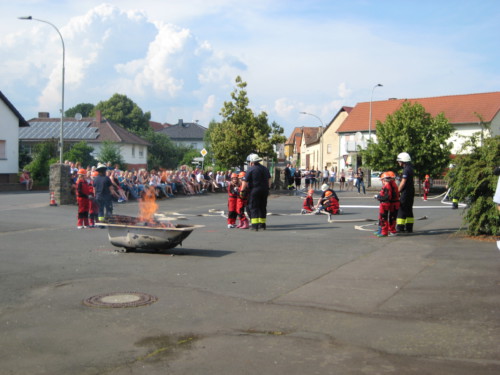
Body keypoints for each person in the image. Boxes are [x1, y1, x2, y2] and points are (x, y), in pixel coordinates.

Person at [241, 154, 271, 231]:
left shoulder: (251, 169)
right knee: (262, 207)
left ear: (252, 162)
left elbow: (244, 181)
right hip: (264, 190)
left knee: (254, 207)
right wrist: (268, 188)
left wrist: (242, 191)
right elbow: (269, 180)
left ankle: (255, 225)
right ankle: (262, 224)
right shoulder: (265, 169)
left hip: (254, 190)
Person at [396, 152, 415, 233]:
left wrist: (397, 191)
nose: (398, 162)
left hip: (405, 192)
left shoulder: (406, 170)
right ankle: (409, 227)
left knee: (402, 209)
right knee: (409, 209)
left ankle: (400, 227)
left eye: (399, 161)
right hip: (411, 191)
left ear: (403, 161)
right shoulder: (410, 168)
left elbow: (403, 182)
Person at [374, 172, 395, 237]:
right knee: (382, 218)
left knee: (384, 218)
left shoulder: (388, 186)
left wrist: (378, 197)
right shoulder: (387, 186)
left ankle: (384, 232)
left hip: (385, 204)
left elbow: (387, 197)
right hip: (384, 204)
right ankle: (381, 230)